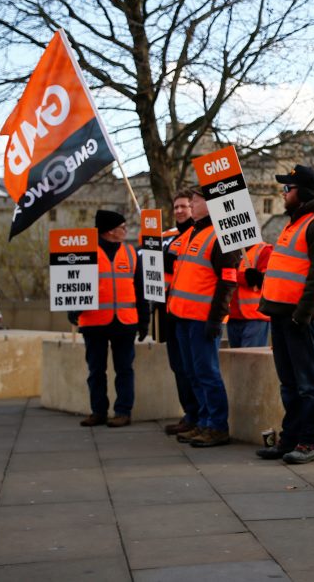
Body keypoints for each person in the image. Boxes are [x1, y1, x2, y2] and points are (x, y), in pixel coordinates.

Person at [256, 164, 314, 465]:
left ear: (300, 192)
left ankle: (309, 442)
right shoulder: (296, 221)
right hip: (282, 315)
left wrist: (301, 315)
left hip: (300, 318)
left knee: (309, 384)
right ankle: (289, 438)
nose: (282, 193)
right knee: (289, 384)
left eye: (287, 188)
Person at [167, 186, 241, 448]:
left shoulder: (220, 235)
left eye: (196, 201)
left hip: (202, 319)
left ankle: (217, 426)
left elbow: (228, 281)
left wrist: (215, 317)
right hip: (183, 317)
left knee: (207, 373)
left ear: (210, 205)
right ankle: (203, 421)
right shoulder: (193, 233)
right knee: (193, 372)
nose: (192, 205)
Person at [71, 210, 149, 428]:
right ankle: (98, 412)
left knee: (124, 369)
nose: (125, 230)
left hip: (125, 322)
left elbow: (140, 290)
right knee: (96, 371)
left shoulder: (132, 254)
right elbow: (74, 284)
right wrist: (72, 310)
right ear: (109, 231)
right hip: (93, 322)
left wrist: (144, 321)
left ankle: (123, 412)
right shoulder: (85, 252)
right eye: (122, 227)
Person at [159, 189, 200, 436]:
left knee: (193, 368)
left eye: (184, 206)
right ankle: (189, 413)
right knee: (178, 366)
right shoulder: (165, 237)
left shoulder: (198, 236)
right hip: (168, 310)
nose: (180, 211)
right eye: (176, 207)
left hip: (191, 312)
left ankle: (198, 415)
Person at [227, 240, 273, 348]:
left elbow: (269, 279)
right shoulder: (230, 250)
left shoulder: (264, 250)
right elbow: (223, 275)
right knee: (238, 362)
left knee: (251, 362)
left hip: (255, 318)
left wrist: (256, 278)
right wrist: (244, 278)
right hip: (233, 316)